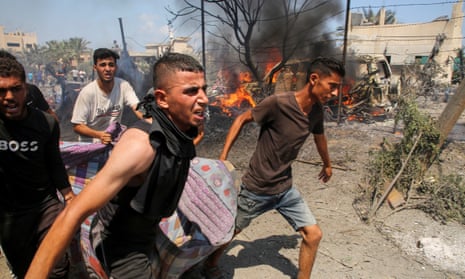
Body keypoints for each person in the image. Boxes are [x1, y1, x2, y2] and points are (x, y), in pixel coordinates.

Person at [26, 52, 208, 279]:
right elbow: (72, 214)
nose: (204, 98)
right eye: (191, 91)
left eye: (203, 89)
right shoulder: (139, 148)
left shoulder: (180, 129)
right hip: (123, 249)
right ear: (162, 99)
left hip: (146, 234)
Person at [203, 57, 345, 279]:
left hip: (285, 189)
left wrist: (327, 164)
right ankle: (209, 265)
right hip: (257, 189)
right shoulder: (278, 103)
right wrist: (223, 157)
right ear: (314, 79)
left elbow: (320, 137)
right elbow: (242, 118)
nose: (335, 93)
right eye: (333, 86)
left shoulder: (316, 110)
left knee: (313, 235)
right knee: (229, 231)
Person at [0, 57, 76, 278]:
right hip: (9, 214)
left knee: (57, 267)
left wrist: (70, 197)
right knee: (25, 270)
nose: (9, 98)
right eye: (2, 91)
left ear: (26, 89)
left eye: (16, 89)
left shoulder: (46, 123)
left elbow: (54, 163)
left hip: (45, 206)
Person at [71, 48, 144, 144]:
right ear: (95, 68)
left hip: (113, 142)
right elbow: (77, 126)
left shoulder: (123, 85)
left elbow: (137, 108)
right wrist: (99, 135)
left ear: (116, 67)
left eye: (111, 65)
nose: (107, 69)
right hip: (90, 145)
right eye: (102, 65)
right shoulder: (87, 93)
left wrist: (151, 122)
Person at [0, 50, 59, 122]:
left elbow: (50, 115)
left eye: (16, 89)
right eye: (2, 90)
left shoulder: (32, 91)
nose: (10, 96)